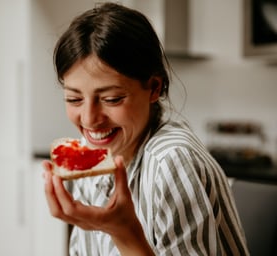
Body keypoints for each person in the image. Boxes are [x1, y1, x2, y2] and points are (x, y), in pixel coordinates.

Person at [42, 2, 249, 256]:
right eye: (74, 99)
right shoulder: (94, 157)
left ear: (154, 88)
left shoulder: (171, 161)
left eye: (111, 99)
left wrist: (123, 232)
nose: (89, 119)